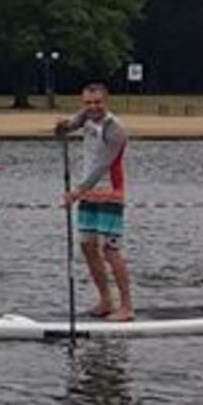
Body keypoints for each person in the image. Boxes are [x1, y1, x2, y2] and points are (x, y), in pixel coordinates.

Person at [56, 83, 133, 322]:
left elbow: (103, 167)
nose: (93, 107)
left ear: (105, 101)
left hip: (110, 192)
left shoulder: (115, 129)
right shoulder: (85, 117)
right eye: (88, 103)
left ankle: (127, 307)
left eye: (97, 102)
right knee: (88, 247)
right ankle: (106, 300)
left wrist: (76, 192)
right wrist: (61, 127)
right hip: (89, 193)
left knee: (110, 251)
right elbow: (67, 128)